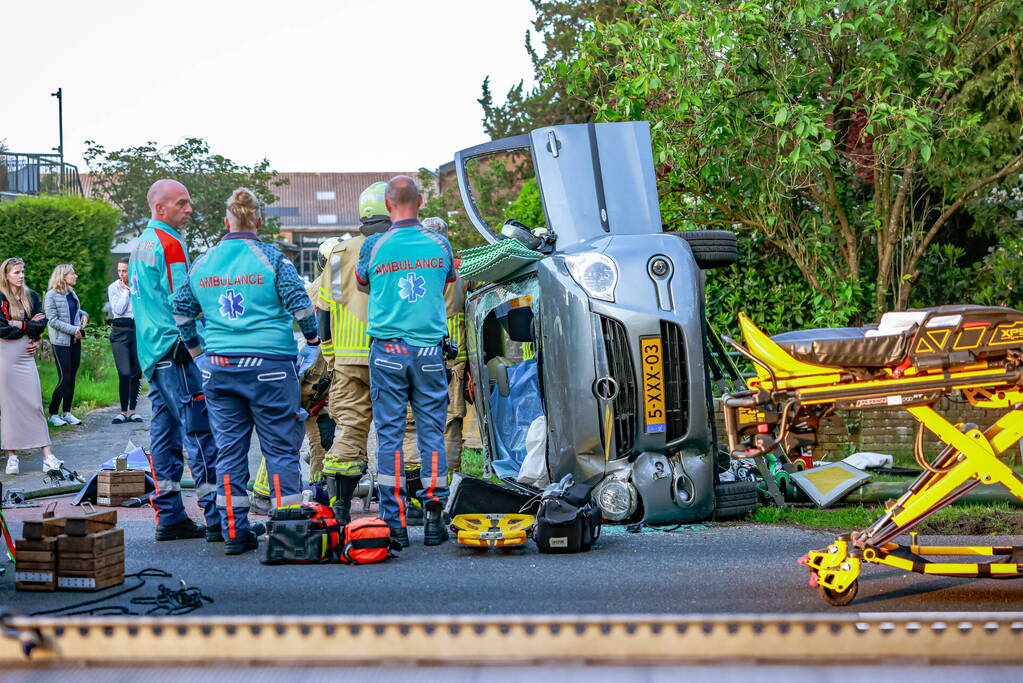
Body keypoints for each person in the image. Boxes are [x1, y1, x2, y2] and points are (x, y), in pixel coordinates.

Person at [173, 188, 320, 555]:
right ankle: (288, 533)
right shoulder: (272, 258)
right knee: (281, 451)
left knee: (229, 452)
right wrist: (313, 342)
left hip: (219, 368)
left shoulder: (203, 263)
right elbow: (301, 307)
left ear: (226, 221)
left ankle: (234, 532)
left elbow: (180, 309)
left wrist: (197, 353)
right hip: (270, 368)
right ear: (257, 220)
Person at [356, 175, 454, 548]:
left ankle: (393, 521)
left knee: (390, 437)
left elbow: (363, 283)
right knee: (432, 435)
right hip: (429, 351)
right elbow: (446, 279)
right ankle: (433, 518)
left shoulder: (375, 246)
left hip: (388, 351)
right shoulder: (438, 243)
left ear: (387, 205)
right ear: (421, 199)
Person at [317, 182, 419, 525]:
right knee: (404, 431)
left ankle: (340, 510)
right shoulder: (399, 248)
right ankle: (414, 508)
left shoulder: (338, 254)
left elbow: (324, 310)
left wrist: (331, 356)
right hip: (393, 354)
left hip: (347, 358)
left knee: (349, 430)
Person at [129, 178, 221, 542]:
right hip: (177, 352)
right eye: (182, 203)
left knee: (164, 437)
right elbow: (184, 302)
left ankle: (169, 515)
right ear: (160, 208)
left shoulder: (140, 244)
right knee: (200, 434)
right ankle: (218, 519)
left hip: (152, 353)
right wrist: (198, 345)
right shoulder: (170, 244)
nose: (189, 209)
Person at [403, 217, 470, 474]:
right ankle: (449, 479)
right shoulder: (461, 271)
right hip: (454, 360)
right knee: (450, 421)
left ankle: (413, 479)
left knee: (412, 421)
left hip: (416, 354)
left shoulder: (409, 269)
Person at [0, 257, 63, 475]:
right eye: (16, 272)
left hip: (26, 356)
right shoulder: (0, 297)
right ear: (6, 274)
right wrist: (28, 326)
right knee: (9, 408)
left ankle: (47, 456)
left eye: (22, 271)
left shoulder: (31, 295)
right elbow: (2, 329)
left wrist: (21, 324)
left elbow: (41, 324)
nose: (21, 275)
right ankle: (12, 457)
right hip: (5, 356)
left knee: (35, 404)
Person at [44, 263, 88, 427]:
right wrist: (73, 329)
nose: (75, 276)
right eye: (72, 274)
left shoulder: (70, 292)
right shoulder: (51, 295)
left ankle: (67, 413)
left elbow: (74, 311)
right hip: (61, 342)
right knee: (65, 377)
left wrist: (84, 315)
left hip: (75, 341)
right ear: (63, 276)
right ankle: (53, 414)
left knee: (72, 377)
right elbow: (52, 320)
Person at [107, 257, 143, 424]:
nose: (122, 274)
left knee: (136, 372)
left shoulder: (139, 285)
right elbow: (119, 310)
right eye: (120, 271)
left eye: (125, 271)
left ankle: (132, 410)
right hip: (120, 331)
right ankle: (122, 411)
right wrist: (125, 291)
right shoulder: (114, 288)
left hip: (137, 331)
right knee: (125, 372)